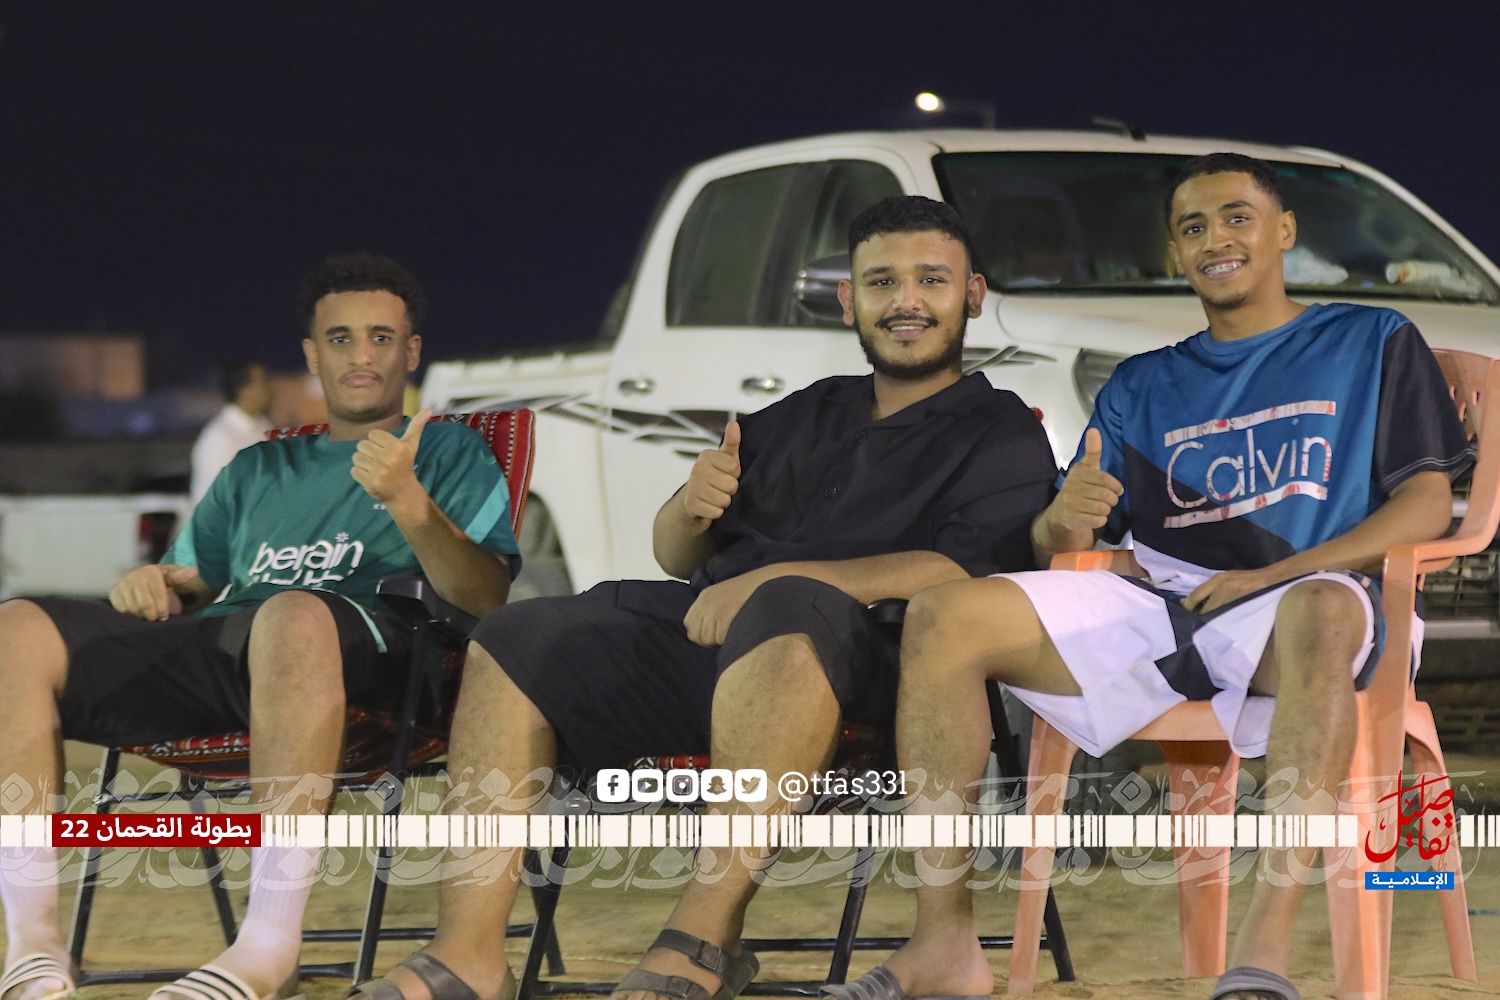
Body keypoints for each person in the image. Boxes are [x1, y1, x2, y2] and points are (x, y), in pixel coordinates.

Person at [355, 196, 1058, 1000]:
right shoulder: (803, 412)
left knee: (791, 609)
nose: (906, 300)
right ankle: (468, 954)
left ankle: (701, 940)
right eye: (881, 281)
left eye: (931, 279)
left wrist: (777, 583)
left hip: (861, 669)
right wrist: (689, 505)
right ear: (848, 301)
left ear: (972, 294)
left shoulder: (998, 428)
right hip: (716, 649)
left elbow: (965, 574)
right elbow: (676, 552)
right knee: (519, 635)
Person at [841, 153, 1474, 1000]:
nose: (1216, 239)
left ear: (1284, 232)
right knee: (943, 617)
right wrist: (1064, 515)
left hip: (1314, 598)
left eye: (1237, 217)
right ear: (1176, 253)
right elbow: (1071, 541)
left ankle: (1261, 953)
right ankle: (943, 941)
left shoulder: (1368, 341)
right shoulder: (1141, 384)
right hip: (1165, 601)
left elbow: (1427, 507)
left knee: (1321, 609)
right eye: (1193, 227)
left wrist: (1273, 574)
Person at [0, 253, 521, 1000]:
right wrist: (157, 580)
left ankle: (269, 947)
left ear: (411, 352)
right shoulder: (258, 467)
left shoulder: (448, 451)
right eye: (340, 338)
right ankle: (32, 944)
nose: (361, 355)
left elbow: (487, 596)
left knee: (293, 613)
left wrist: (410, 503)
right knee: (17, 628)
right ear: (312, 356)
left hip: (371, 660)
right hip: (235, 652)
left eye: (380, 337)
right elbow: (192, 577)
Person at [191, 360, 274, 505]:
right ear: (243, 390)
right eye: (263, 381)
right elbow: (217, 500)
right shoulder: (219, 438)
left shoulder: (264, 427)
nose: (269, 387)